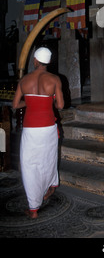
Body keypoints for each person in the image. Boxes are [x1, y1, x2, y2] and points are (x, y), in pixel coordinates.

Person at [12, 46, 64, 218]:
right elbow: (60, 106)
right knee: (48, 158)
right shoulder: (54, 79)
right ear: (48, 62)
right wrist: (49, 101)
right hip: (48, 127)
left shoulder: (24, 80)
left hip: (30, 129)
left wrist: (30, 102)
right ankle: (50, 185)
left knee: (29, 164)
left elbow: (15, 105)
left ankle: (33, 207)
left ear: (35, 60)